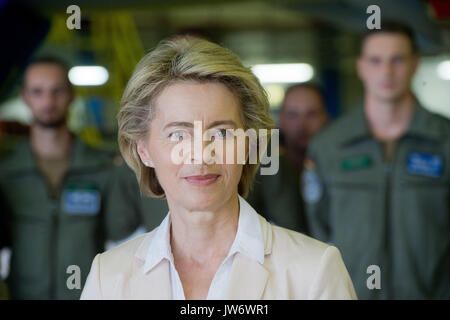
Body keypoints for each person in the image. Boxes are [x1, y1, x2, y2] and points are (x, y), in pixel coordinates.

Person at [80, 36, 356, 300]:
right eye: (178, 134)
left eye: (222, 133)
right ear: (144, 151)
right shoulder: (109, 277)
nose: (200, 156)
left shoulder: (315, 271)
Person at [303, 21, 450, 299]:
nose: (386, 71)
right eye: (375, 60)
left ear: (415, 64)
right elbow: (317, 230)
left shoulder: (444, 141)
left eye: (398, 59)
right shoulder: (329, 146)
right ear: (360, 66)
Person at [0, 57, 141, 299]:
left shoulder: (102, 168)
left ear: (72, 95)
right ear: (24, 97)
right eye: (37, 92)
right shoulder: (6, 172)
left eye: (57, 91)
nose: (47, 101)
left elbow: (122, 231)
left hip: (87, 294)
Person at [247, 83, 328, 233]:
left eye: (311, 114)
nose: (301, 125)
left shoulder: (338, 162)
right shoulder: (261, 162)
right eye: (293, 114)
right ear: (281, 119)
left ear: (326, 117)